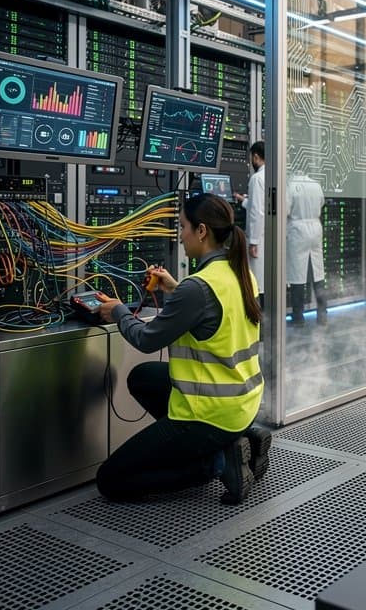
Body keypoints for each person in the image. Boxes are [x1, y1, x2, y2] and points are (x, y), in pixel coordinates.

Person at [94, 193, 272, 504]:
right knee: (143, 377)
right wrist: (176, 289)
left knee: (110, 479)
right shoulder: (239, 275)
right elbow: (213, 314)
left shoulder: (198, 288)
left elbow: (146, 339)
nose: (181, 234)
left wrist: (118, 311)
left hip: (208, 414)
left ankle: (215, 463)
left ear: (202, 231)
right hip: (242, 403)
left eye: (184, 226)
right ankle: (235, 440)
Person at [286, 169, 329, 326]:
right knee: (318, 273)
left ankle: (298, 317)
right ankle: (322, 314)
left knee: (297, 276)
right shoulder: (315, 184)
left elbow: (285, 210)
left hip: (298, 230)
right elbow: (321, 203)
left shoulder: (290, 184)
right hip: (315, 228)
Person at [234, 141, 265, 308]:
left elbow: (257, 212)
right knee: (266, 282)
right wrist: (244, 200)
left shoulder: (257, 178)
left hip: (259, 238)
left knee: (256, 283)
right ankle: (268, 326)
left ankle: (259, 325)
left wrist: (253, 242)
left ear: (256, 156)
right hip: (271, 236)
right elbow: (260, 206)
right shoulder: (276, 176)